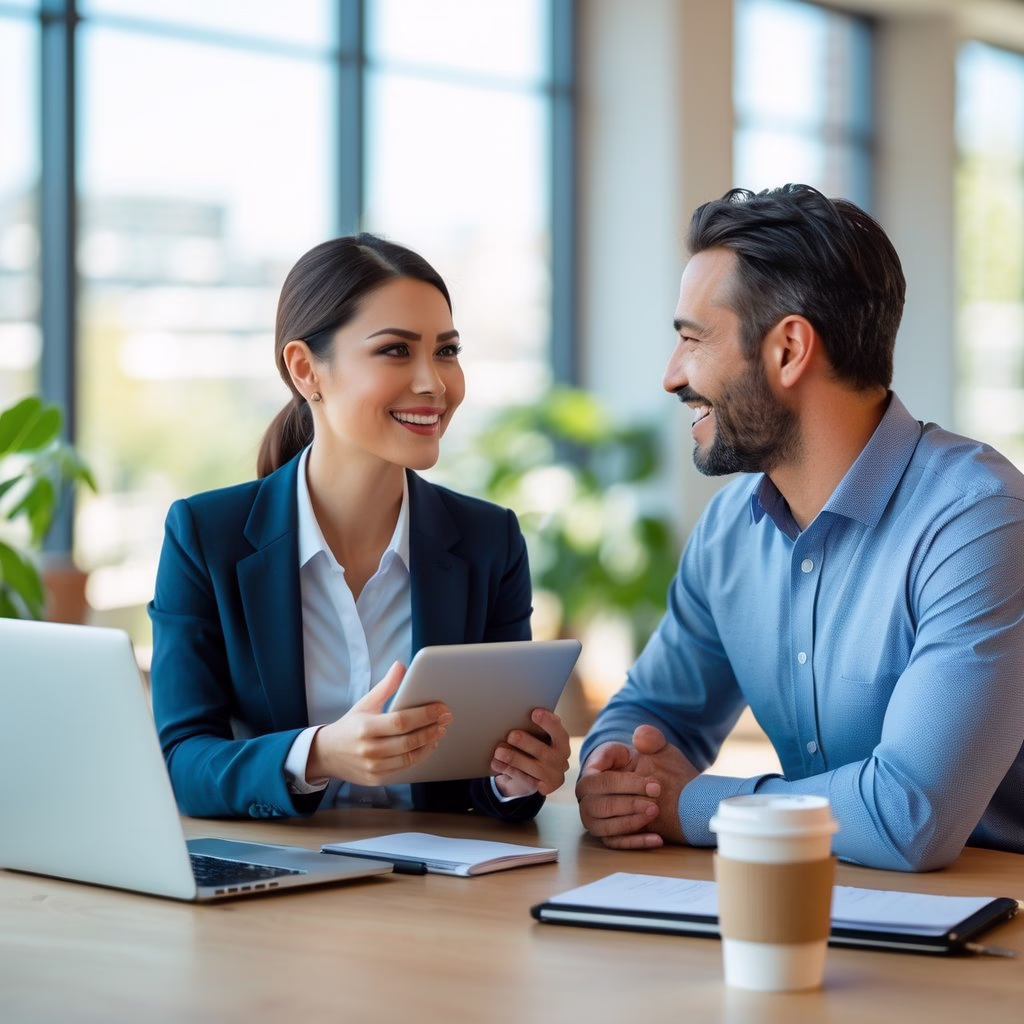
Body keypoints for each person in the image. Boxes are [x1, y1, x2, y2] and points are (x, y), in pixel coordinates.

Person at [576, 184, 1024, 872]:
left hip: (988, 932)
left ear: (788, 350)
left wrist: (693, 805)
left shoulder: (978, 520)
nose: (672, 378)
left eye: (693, 340)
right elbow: (649, 716)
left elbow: (908, 817)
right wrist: (614, 779)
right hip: (810, 905)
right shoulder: (731, 528)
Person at [148, 233, 570, 821]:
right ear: (305, 370)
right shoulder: (205, 536)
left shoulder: (488, 542)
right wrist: (319, 755)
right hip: (274, 885)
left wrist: (519, 778)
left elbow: (481, 777)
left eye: (446, 351)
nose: (434, 383)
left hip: (438, 894)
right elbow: (184, 764)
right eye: (397, 351)